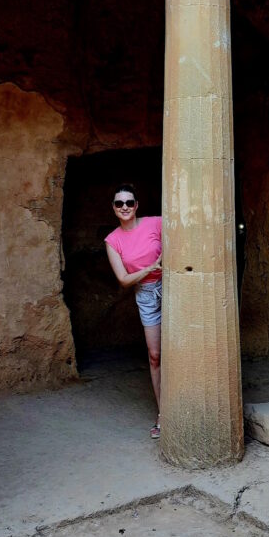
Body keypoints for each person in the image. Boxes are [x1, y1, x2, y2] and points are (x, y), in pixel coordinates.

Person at [105, 184, 162, 439]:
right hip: (146, 293)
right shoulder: (112, 240)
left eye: (129, 203)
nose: (125, 207)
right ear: (114, 209)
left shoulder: (156, 223)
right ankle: (163, 414)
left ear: (137, 205)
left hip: (172, 286)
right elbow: (124, 279)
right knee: (154, 354)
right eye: (119, 204)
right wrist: (152, 267)